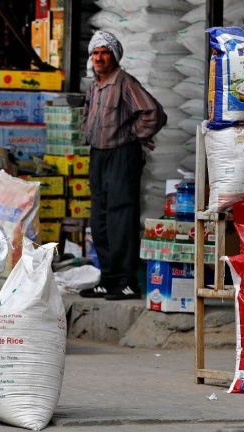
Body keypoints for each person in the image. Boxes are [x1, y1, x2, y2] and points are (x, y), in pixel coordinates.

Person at [79, 31, 167, 301]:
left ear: (114, 56)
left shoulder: (125, 82)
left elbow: (154, 113)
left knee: (121, 217)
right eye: (95, 53)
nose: (99, 57)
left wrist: (133, 135)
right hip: (99, 155)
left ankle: (127, 282)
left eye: (104, 52)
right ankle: (107, 279)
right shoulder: (94, 86)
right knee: (100, 219)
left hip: (121, 155)